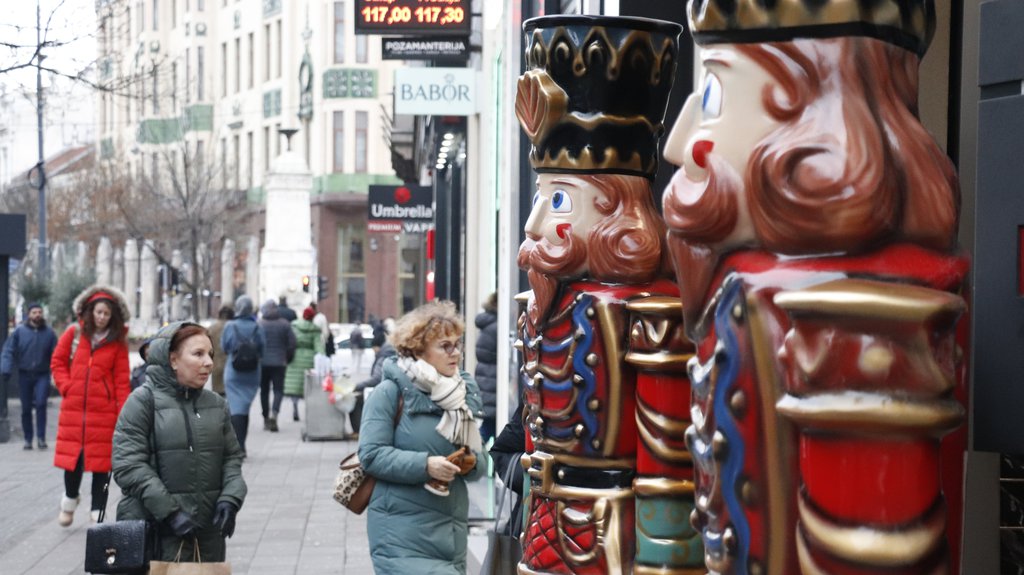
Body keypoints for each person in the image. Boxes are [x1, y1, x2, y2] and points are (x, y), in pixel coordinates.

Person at [659, 3, 969, 571]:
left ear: (819, 127)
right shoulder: (740, 288)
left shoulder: (863, 316)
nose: (678, 145)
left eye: (713, 97)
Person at [513, 15, 695, 574]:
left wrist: (664, 557)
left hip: (606, 535)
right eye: (542, 197)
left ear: (620, 216)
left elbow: (669, 458)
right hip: (543, 518)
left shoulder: (652, 309)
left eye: (561, 202)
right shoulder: (542, 303)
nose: (535, 222)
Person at [359, 301, 485, 574]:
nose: (456, 353)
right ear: (419, 350)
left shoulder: (461, 394)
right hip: (400, 534)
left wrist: (472, 462)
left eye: (458, 344)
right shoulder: (390, 392)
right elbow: (370, 454)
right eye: (445, 346)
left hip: (451, 535)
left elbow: (482, 464)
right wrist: (426, 465)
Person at [112, 322, 247, 564]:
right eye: (198, 354)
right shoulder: (142, 401)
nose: (208, 362)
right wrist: (170, 513)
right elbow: (128, 465)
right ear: (173, 360)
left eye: (210, 354)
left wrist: (231, 499)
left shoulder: (216, 404)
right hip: (155, 533)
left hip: (207, 536)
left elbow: (231, 458)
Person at [50, 285, 132, 526]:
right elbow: (57, 362)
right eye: (98, 312)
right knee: (72, 461)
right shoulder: (74, 334)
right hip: (74, 409)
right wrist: (67, 386)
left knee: (101, 464)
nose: (102, 317)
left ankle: (98, 509)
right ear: (90, 311)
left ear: (112, 316)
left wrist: (123, 414)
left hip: (103, 413)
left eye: (106, 313)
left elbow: (121, 382)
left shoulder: (118, 343)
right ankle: (70, 499)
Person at [1, 302, 58, 450]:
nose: (37, 315)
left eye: (39, 312)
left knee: (41, 404)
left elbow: (57, 355)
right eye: (34, 312)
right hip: (24, 374)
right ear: (29, 314)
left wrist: (57, 375)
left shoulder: (49, 333)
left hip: (42, 375)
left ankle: (41, 438)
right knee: (26, 408)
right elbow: (8, 350)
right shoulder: (19, 332)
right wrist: (6, 369)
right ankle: (28, 439)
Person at [221, 295, 265, 457]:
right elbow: (262, 350)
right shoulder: (257, 327)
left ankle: (238, 445)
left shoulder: (230, 326)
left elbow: (224, 347)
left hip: (233, 371)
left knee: (235, 407)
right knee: (244, 408)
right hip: (252, 373)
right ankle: (241, 445)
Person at [257, 299, 295, 432]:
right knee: (278, 390)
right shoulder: (284, 324)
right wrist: (287, 358)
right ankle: (275, 413)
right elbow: (292, 343)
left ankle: (266, 418)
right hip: (280, 362)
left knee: (264, 391)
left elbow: (255, 343)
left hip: (263, 363)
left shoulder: (260, 324)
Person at [283, 306, 324, 422]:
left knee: (294, 385)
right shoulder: (314, 330)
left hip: (294, 358)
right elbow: (319, 347)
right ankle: (307, 410)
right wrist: (323, 357)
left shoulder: (294, 326)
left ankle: (295, 407)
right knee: (307, 386)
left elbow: (289, 342)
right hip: (309, 360)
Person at [473, 293, 498, 443]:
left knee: (488, 429)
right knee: (491, 430)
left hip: (487, 383)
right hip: (493, 384)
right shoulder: (497, 327)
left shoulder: (488, 325)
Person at [207, 305, 234, 397]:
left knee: (217, 394)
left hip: (216, 362)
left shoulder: (212, 328)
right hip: (232, 363)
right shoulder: (235, 327)